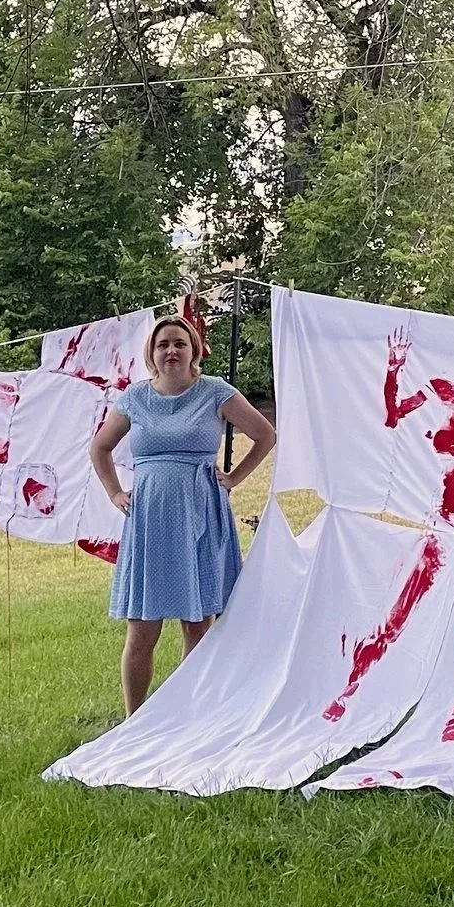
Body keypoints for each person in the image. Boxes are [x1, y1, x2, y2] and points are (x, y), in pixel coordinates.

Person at [89, 302, 277, 715]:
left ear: (194, 348)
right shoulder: (135, 397)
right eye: (162, 345)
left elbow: (265, 435)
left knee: (197, 624)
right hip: (150, 519)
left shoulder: (215, 392)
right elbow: (100, 448)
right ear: (151, 353)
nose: (171, 351)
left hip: (200, 513)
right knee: (142, 629)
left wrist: (233, 477)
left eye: (179, 343)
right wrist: (115, 493)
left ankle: (190, 716)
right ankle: (133, 720)